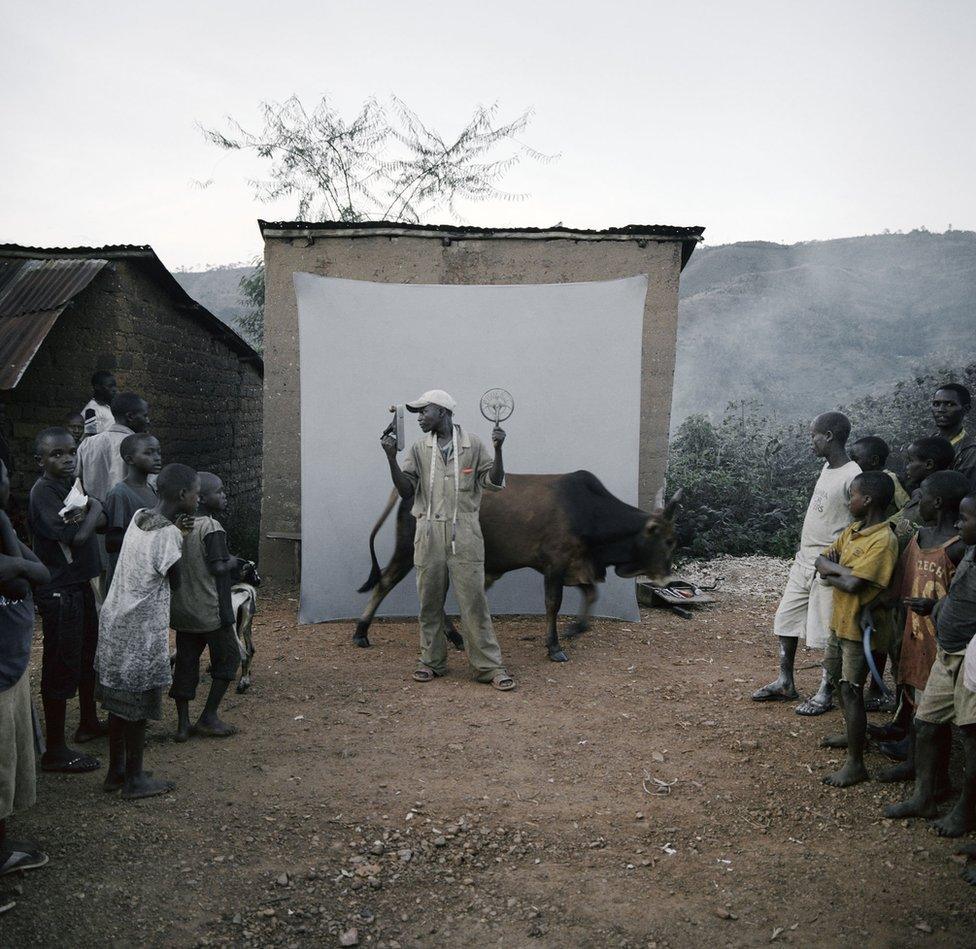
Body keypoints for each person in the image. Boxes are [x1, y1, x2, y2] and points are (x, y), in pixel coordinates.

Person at [381, 389, 515, 691]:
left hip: (464, 533)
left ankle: (489, 666)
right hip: (427, 532)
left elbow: (493, 484)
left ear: (442, 411)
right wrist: (391, 459)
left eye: (424, 411)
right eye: (416, 413)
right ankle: (431, 661)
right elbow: (406, 491)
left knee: (474, 603)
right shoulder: (418, 449)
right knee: (429, 603)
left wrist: (499, 449)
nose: (419, 418)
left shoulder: (473, 445)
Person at [95, 463, 196, 799]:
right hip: (140, 632)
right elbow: (177, 581)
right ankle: (135, 780)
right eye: (196, 493)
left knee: (118, 704)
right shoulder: (168, 534)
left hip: (115, 622)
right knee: (136, 708)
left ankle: (116, 772)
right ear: (183, 496)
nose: (198, 498)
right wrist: (182, 538)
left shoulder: (140, 515)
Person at [752, 412, 860, 715]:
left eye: (813, 435)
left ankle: (827, 690)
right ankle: (785, 680)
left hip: (828, 565)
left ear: (829, 436)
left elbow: (858, 521)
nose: (810, 441)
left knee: (829, 631)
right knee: (785, 618)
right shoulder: (828, 468)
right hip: (805, 560)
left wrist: (839, 557)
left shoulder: (852, 474)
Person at [884, 490, 976, 837]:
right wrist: (937, 609)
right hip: (947, 652)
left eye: (965, 519)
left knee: (971, 737)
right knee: (925, 723)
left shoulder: (961, 548)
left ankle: (966, 812)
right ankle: (925, 795)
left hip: (970, 657)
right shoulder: (970, 551)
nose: (958, 523)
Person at [876, 471, 969, 783]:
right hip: (914, 635)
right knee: (916, 703)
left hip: (940, 644)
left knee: (934, 715)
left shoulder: (958, 547)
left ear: (938, 502)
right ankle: (913, 763)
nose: (917, 504)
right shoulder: (918, 539)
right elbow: (901, 583)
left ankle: (935, 778)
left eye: (922, 499)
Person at [28, 427, 106, 772]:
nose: (67, 459)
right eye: (56, 454)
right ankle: (56, 750)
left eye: (71, 452)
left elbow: (94, 523)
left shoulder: (71, 485)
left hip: (80, 584)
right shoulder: (44, 492)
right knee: (61, 663)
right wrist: (95, 508)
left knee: (87, 655)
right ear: (40, 461)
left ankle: (88, 721)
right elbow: (76, 536)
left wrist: (91, 513)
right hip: (60, 590)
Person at [814, 471, 899, 787]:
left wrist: (834, 574)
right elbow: (822, 560)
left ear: (868, 500)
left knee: (852, 690)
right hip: (841, 622)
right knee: (839, 683)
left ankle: (855, 762)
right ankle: (854, 736)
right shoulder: (852, 531)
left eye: (852, 495)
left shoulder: (883, 540)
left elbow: (850, 582)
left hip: (861, 632)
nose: (848, 501)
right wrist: (841, 573)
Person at [0, 460, 51, 879]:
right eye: (2, 478)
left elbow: (39, 571)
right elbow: (21, 581)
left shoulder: (4, 529)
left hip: (11, 667)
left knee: (9, 763)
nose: (7, 483)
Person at [169, 472, 241, 741]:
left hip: (184, 610)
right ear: (201, 498)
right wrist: (235, 562)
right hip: (212, 610)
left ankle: (182, 725)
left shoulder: (178, 527)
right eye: (219, 491)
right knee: (229, 657)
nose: (223, 495)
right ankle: (209, 716)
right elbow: (218, 566)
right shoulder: (212, 527)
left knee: (186, 664)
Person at [103, 434, 161, 591]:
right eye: (148, 453)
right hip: (126, 578)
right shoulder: (120, 493)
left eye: (158, 452)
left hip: (147, 573)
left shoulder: (151, 490)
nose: (157, 458)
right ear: (130, 459)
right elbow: (112, 541)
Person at [76, 392, 150, 505]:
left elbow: (76, 481)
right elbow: (149, 488)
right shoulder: (141, 447)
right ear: (130, 416)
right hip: (130, 517)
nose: (148, 420)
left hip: (94, 516)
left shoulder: (87, 444)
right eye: (145, 416)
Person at [849, 436, 910, 513]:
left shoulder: (890, 478)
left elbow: (905, 507)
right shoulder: (861, 481)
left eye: (855, 460)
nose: (852, 464)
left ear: (874, 460)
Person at [931, 383, 976, 488]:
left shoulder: (970, 451)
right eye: (936, 404)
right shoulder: (930, 441)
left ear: (966, 409)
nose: (941, 409)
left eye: (950, 404)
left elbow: (960, 491)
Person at [81, 371, 117, 437]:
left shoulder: (110, 407)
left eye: (114, 386)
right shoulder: (91, 410)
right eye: (110, 386)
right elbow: (91, 438)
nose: (114, 389)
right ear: (97, 387)